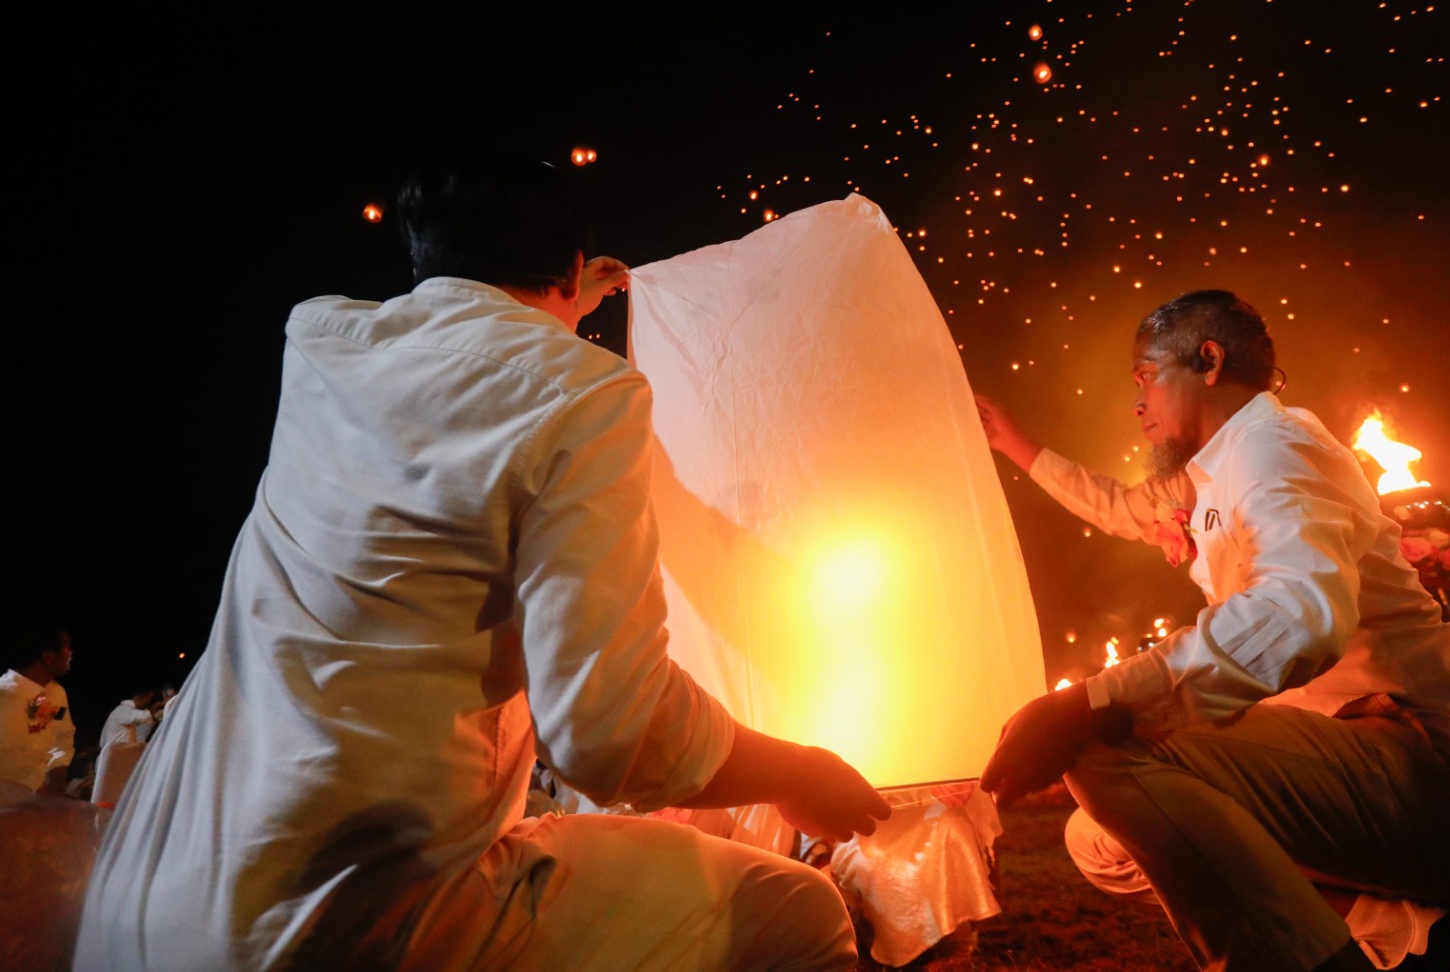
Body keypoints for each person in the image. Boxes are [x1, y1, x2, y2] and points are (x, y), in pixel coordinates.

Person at [75, 153, 889, 971]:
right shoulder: (587, 397)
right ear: (570, 267)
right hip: (341, 918)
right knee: (795, 910)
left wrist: (561, 310)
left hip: (142, 912)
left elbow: (463, 364)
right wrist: (794, 770)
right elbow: (607, 730)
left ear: (424, 257)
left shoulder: (319, 341)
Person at [976, 290, 1450, 972]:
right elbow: (1119, 508)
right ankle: (1426, 943)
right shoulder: (1211, 473)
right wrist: (1011, 441)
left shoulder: (1276, 449)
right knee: (1098, 839)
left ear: (1209, 360)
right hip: (1370, 770)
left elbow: (1296, 611)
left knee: (1108, 747)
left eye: (1146, 377)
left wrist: (1091, 700)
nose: (1137, 404)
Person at [0, 628, 76, 795]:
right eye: (66, 647)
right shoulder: (4, 696)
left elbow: (63, 736)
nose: (71, 653)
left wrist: (57, 780)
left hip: (33, 802)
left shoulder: (57, 696)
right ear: (48, 657)